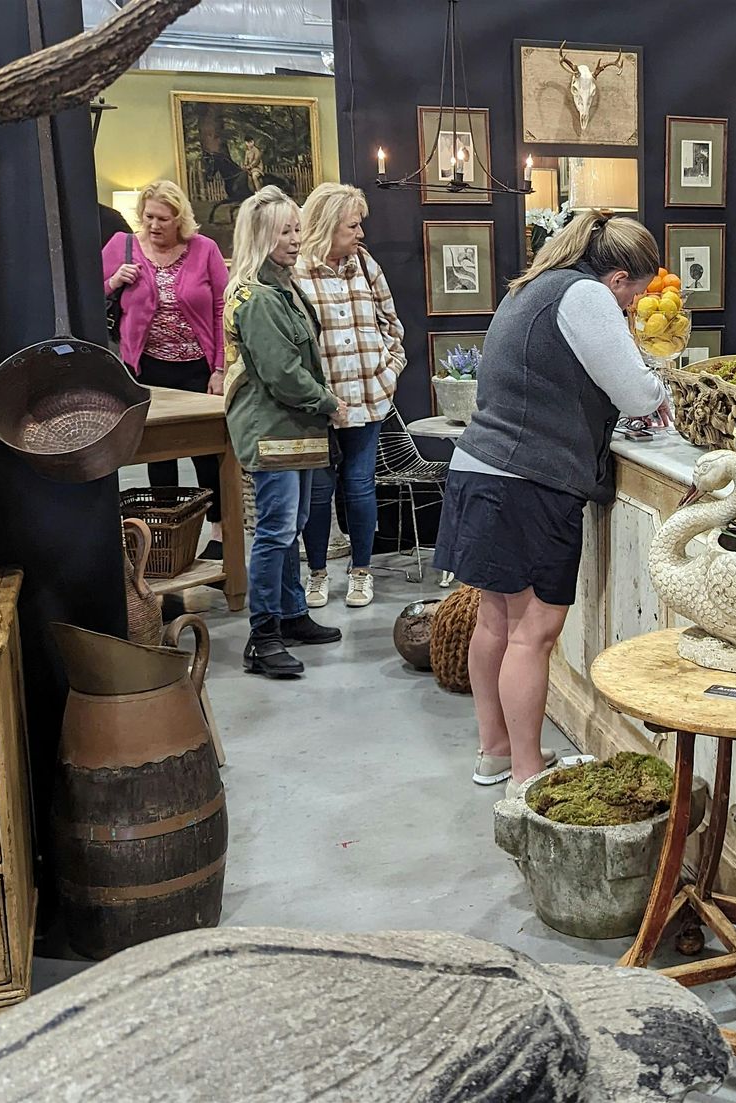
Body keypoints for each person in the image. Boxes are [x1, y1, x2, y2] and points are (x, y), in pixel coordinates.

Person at [433, 210, 669, 799]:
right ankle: (526, 773)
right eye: (633, 298)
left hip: (481, 470)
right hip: (529, 483)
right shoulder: (586, 295)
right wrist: (660, 387)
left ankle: (495, 752)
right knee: (533, 633)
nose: (630, 309)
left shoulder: (534, 285)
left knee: (495, 620)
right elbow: (636, 392)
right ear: (618, 279)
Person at [222, 186, 348, 678]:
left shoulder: (281, 286)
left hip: (291, 426)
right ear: (260, 236)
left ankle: (292, 615)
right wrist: (328, 403)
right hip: (272, 427)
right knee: (275, 532)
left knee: (290, 526)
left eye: (297, 229)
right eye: (285, 232)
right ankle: (263, 637)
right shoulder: (257, 297)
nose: (296, 239)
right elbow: (282, 374)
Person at [102, 179, 230, 559]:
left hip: (197, 370)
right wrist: (114, 281)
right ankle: (165, 541)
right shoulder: (122, 246)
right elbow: (88, 293)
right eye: (149, 217)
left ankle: (220, 535)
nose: (154, 225)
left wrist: (220, 368)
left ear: (179, 219)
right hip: (146, 370)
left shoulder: (203, 249)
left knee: (208, 456)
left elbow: (223, 309)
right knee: (159, 458)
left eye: (163, 218)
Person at [294, 182, 406, 609]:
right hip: (316, 403)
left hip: (366, 395)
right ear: (327, 225)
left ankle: (361, 573)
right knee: (318, 491)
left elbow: (391, 323)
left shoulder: (365, 264)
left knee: (360, 486)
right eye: (353, 225)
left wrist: (388, 371)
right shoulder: (296, 271)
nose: (361, 233)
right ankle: (317, 573)